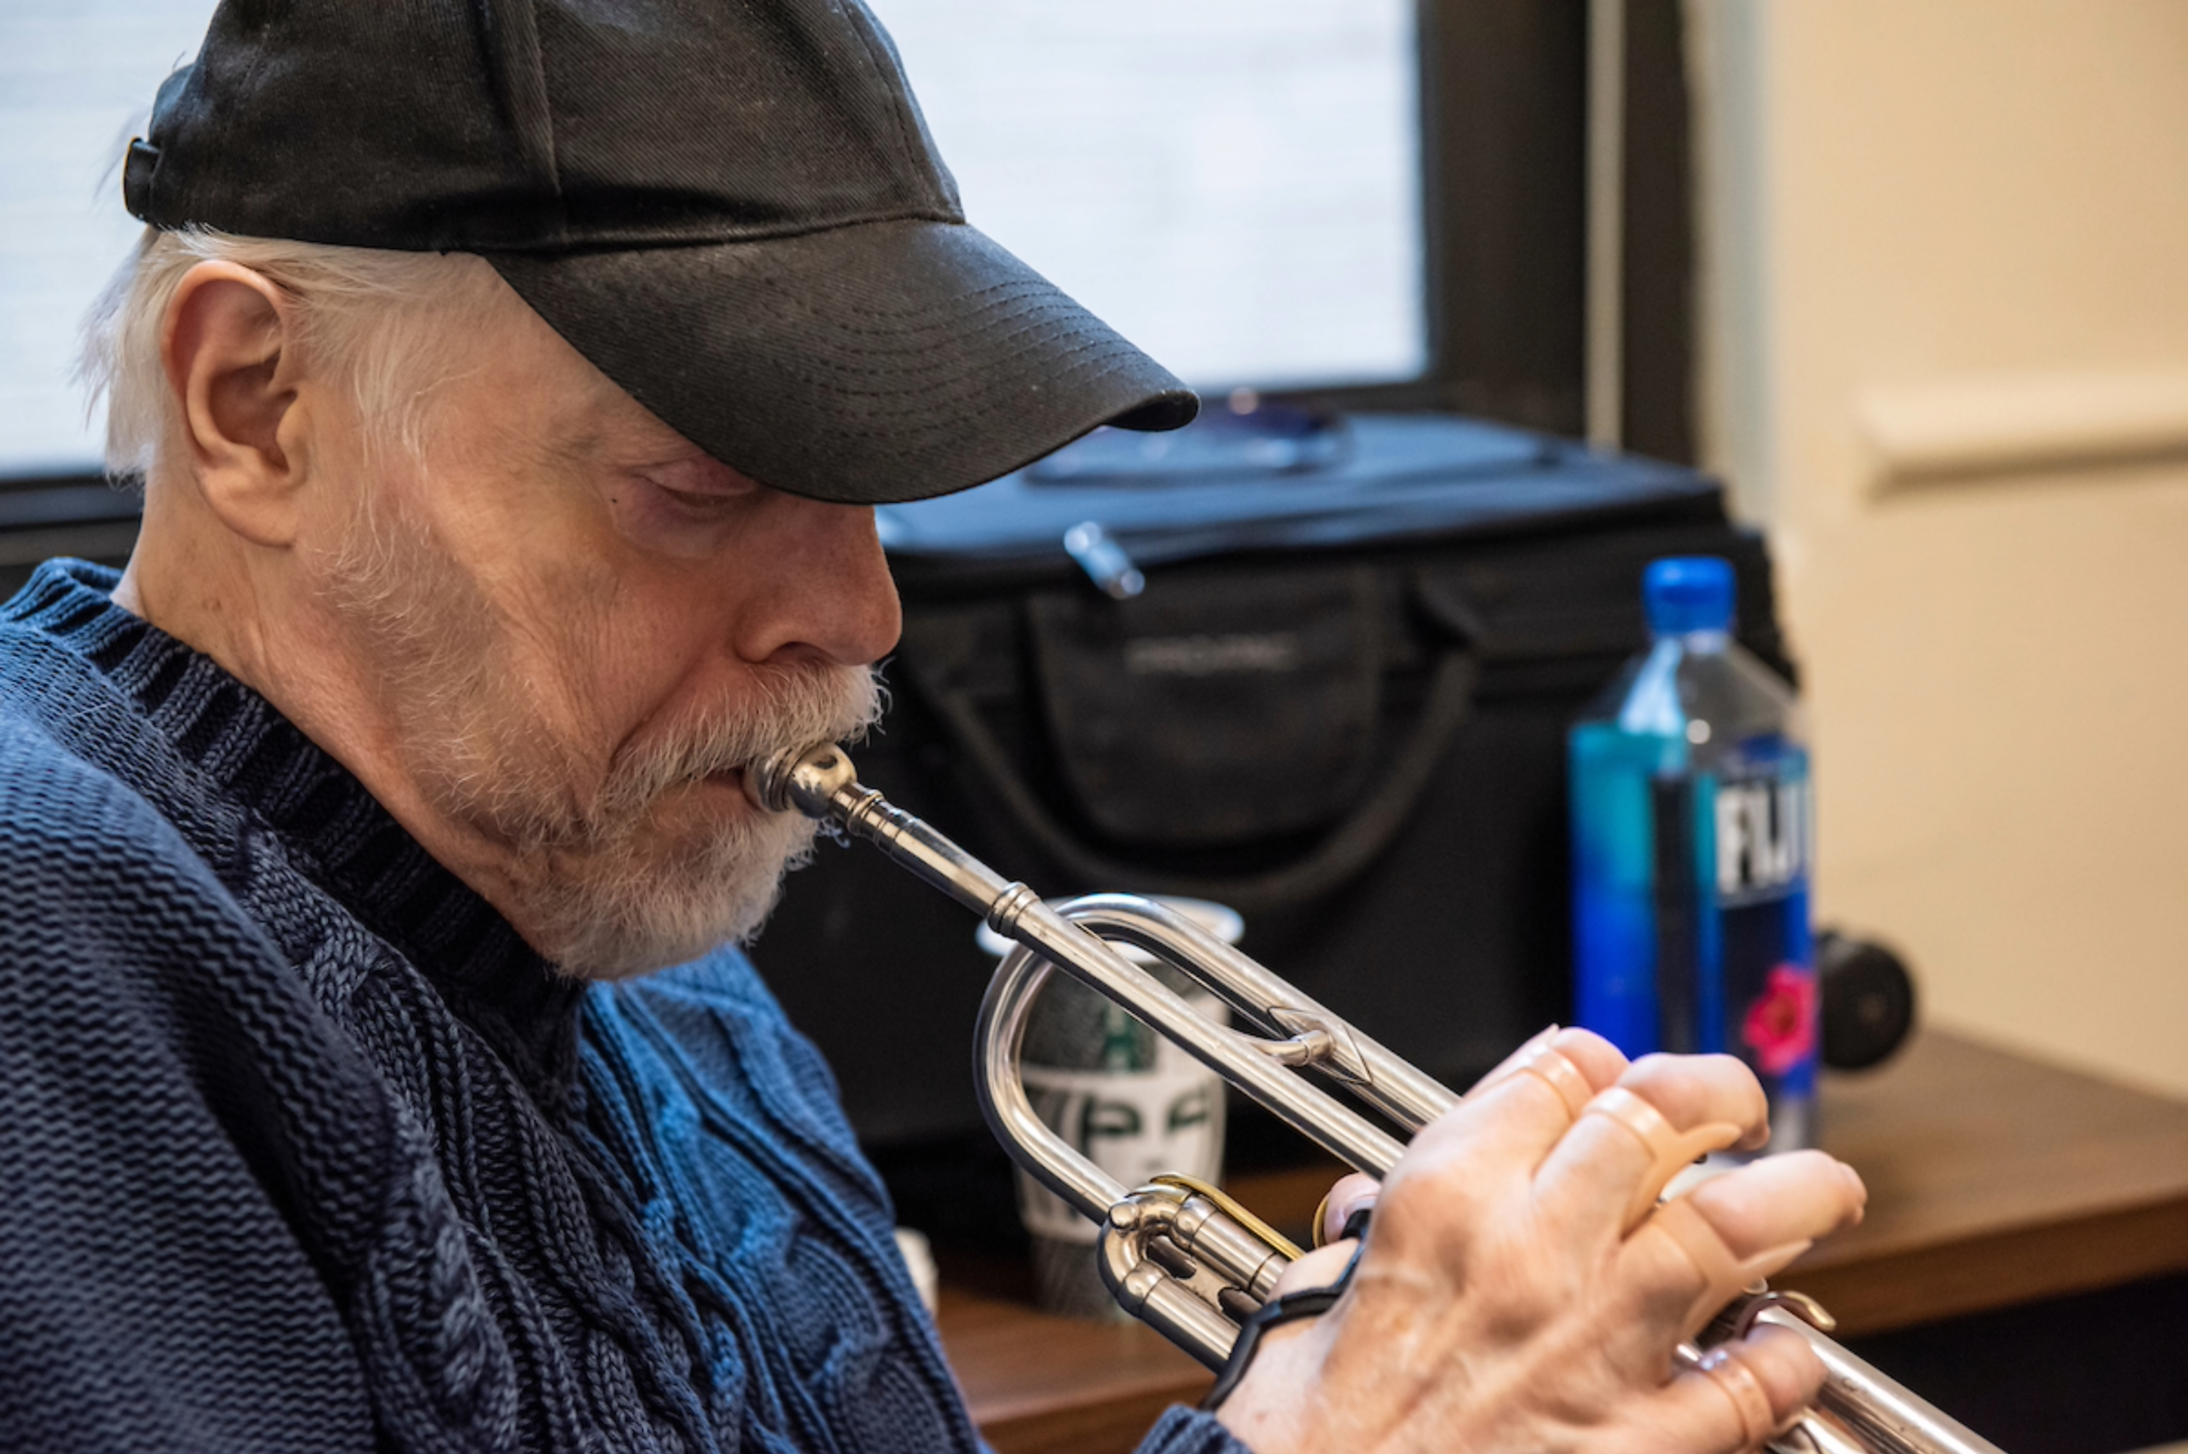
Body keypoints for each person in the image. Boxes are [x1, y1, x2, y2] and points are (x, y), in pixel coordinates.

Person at [0, 1, 1867, 1451]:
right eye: (706, 477)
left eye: (871, 479)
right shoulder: (49, 950)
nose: (862, 611)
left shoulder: (619, 908)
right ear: (253, 401)